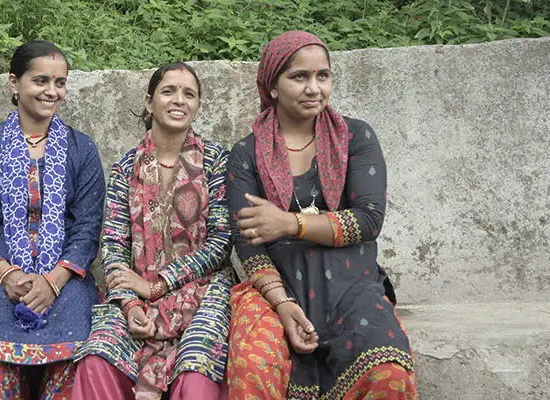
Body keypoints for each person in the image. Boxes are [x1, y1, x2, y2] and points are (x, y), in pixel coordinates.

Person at [225, 31, 417, 399]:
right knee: (253, 367)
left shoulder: (356, 137)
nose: (314, 88)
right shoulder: (247, 153)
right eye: (299, 76)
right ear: (273, 86)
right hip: (277, 288)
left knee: (388, 372)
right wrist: (283, 304)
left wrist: (290, 223)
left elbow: (369, 220)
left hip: (351, 285)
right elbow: (248, 244)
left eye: (322, 76)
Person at [0, 40, 105, 399]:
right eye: (41, 81)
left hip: (66, 279)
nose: (52, 91)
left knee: (74, 374)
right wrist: (6, 274)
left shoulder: (82, 149)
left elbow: (87, 229)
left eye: (60, 83)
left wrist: (54, 281)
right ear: (14, 82)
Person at [72, 62, 234, 400]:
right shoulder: (125, 167)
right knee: (97, 358)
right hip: (137, 289)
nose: (179, 100)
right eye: (168, 91)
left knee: (196, 371)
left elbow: (221, 242)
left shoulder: (217, 160)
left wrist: (159, 285)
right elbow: (114, 245)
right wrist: (131, 303)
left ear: (198, 107)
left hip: (203, 290)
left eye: (189, 94)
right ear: (149, 102)